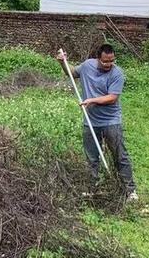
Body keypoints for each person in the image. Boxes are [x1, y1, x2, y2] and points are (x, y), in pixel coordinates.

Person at [57, 44, 138, 201]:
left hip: (111, 121)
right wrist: (62, 62)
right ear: (97, 58)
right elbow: (72, 73)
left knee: (120, 155)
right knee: (92, 157)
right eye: (105, 61)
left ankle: (130, 190)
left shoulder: (117, 73)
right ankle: (92, 188)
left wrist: (91, 100)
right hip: (90, 121)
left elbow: (112, 97)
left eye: (112, 61)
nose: (109, 64)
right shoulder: (87, 66)